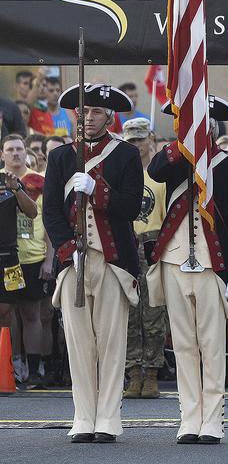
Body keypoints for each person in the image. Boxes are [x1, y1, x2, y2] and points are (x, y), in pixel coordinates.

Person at [146, 95, 228, 444]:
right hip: (176, 258)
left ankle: (213, 418)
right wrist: (182, 143)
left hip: (212, 263)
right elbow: (155, 172)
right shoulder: (175, 159)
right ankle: (189, 416)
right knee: (184, 344)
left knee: (210, 343)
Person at [42, 83, 143, 443]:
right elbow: (51, 210)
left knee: (111, 344)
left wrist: (98, 191)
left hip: (113, 261)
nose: (87, 118)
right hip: (74, 261)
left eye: (95, 112)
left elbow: (132, 207)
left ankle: (109, 418)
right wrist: (67, 249)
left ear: (109, 116)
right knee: (79, 343)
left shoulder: (126, 155)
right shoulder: (60, 157)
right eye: (82, 112)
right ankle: (84, 416)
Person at [121, 118, 168, 400]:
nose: (136, 145)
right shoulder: (123, 174)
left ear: (150, 139)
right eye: (131, 141)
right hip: (127, 244)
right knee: (127, 314)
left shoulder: (159, 175)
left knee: (153, 315)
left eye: (140, 139)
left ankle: (151, 372)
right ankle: (133, 372)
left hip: (152, 245)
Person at [0, 135, 41, 388]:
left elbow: (32, 211)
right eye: (9, 150)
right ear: (2, 154)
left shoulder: (13, 182)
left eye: (18, 149)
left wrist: (16, 189)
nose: (14, 153)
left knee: (8, 311)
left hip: (9, 256)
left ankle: (15, 365)